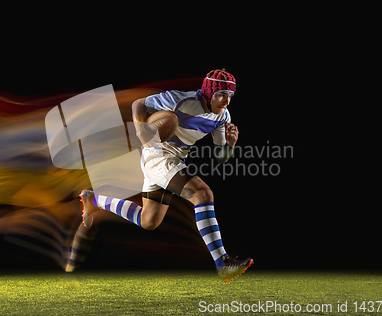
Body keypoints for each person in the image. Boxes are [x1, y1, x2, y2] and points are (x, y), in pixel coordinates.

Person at [79, 69, 253, 283]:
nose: (226, 101)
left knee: (149, 220)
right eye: (221, 95)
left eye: (230, 96)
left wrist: (230, 146)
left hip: (172, 161)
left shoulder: (222, 116)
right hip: (158, 155)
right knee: (203, 194)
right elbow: (138, 104)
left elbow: (220, 158)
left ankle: (94, 199)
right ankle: (222, 262)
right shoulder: (181, 99)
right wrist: (142, 131)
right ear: (208, 92)